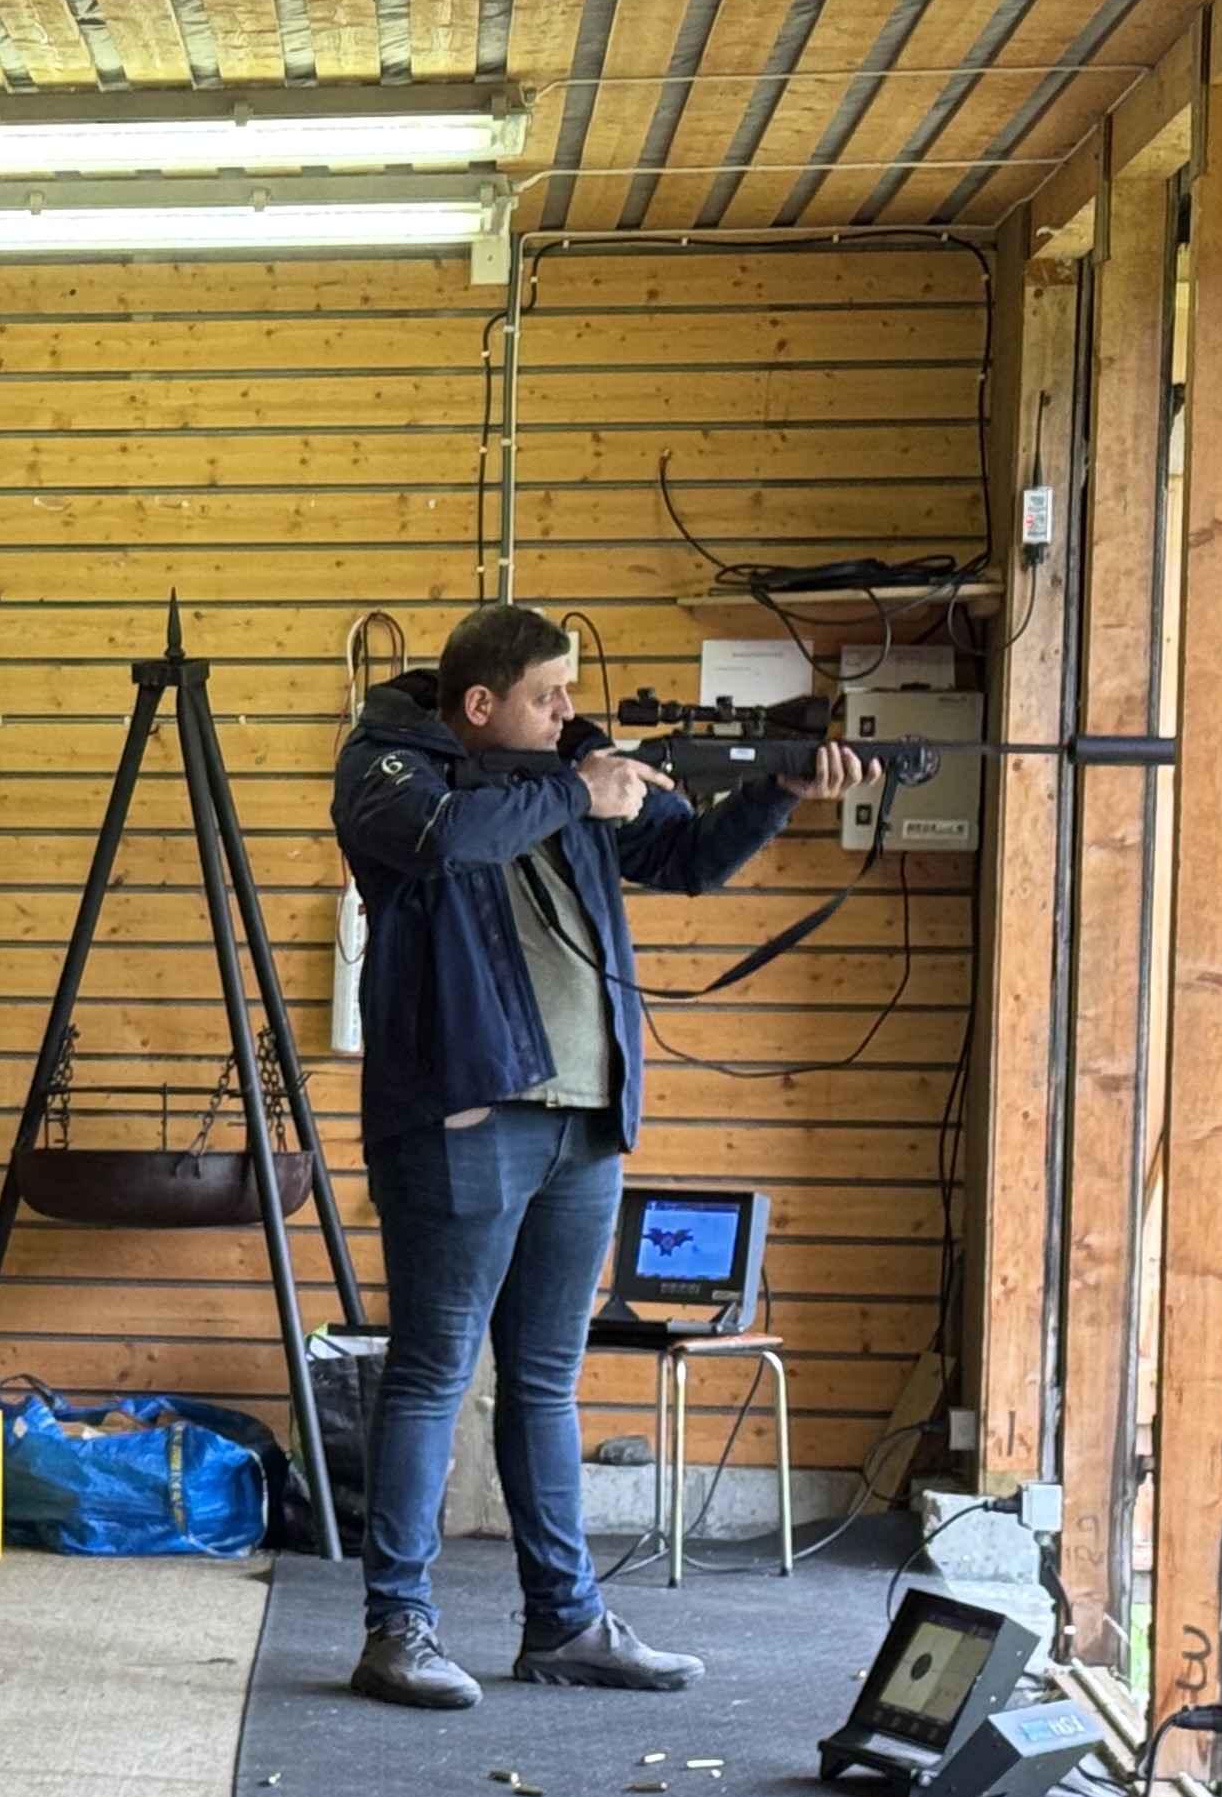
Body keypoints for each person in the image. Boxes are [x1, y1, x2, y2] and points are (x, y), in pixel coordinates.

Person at [332, 604, 859, 1711]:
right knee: (432, 1371)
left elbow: (688, 858)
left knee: (543, 1383)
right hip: (464, 1117)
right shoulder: (388, 768)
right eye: (548, 694)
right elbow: (442, 841)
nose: (571, 711)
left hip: (584, 1121)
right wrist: (581, 787)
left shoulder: (561, 780)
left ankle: (563, 1621)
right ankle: (399, 1627)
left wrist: (778, 793)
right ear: (482, 707)